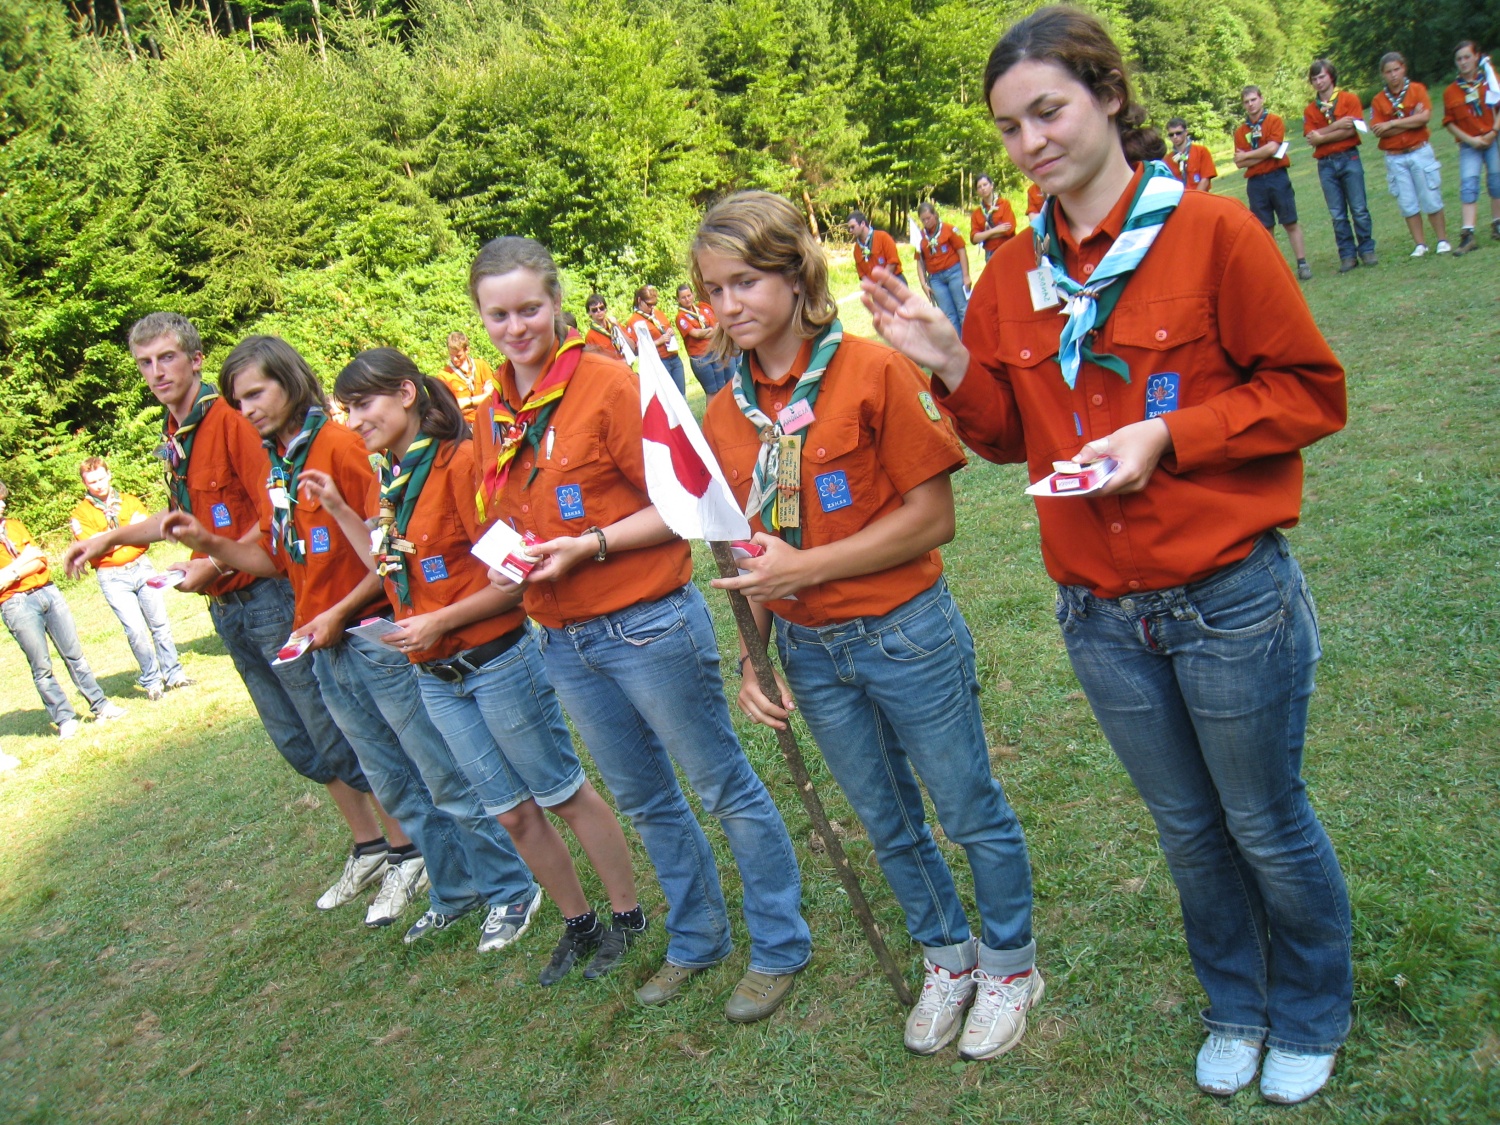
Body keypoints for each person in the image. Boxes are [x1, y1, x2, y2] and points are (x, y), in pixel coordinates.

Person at [861, 5, 1353, 1105]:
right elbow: (999, 436)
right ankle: (1235, 1002)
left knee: (1265, 820)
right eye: (1007, 127)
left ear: (1110, 99)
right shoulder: (1004, 273)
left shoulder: (1212, 233)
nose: (1030, 140)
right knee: (1185, 826)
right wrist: (946, 359)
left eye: (1049, 110)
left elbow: (1313, 391)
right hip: (1103, 616)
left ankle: (1312, 1005)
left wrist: (1171, 435)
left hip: (1228, 596)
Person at [695, 191, 1040, 1060]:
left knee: (966, 807)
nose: (728, 305)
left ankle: (1008, 964)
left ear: (794, 273)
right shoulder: (724, 416)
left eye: (745, 281)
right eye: (711, 290)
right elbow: (751, 559)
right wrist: (754, 660)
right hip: (811, 655)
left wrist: (805, 569)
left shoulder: (870, 370)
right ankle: (947, 957)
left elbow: (932, 518)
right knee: (886, 820)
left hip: (905, 632)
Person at [469, 236, 812, 1021]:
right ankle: (698, 939)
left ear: (555, 303)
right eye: (499, 314)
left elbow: (688, 506)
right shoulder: (493, 412)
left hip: (646, 624)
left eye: (529, 308)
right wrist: (512, 564)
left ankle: (780, 944)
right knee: (647, 799)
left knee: (722, 785)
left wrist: (588, 544)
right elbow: (516, 515)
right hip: (563, 641)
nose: (516, 327)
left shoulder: (609, 386)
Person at [160, 335, 541, 948]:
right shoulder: (280, 461)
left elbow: (385, 551)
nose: (247, 407)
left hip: (371, 634)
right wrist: (206, 542)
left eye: (256, 392)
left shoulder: (340, 445)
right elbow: (272, 559)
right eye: (237, 399)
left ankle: (508, 886)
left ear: (289, 381)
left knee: (439, 772)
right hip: (322, 641)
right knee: (392, 780)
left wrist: (340, 612)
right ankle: (453, 888)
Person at [305, 347, 648, 986]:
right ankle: (580, 924)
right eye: (347, 408)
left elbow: (514, 577)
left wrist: (439, 620)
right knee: (511, 811)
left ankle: (628, 916)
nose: (352, 420)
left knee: (562, 794)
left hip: (495, 662)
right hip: (438, 679)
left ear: (406, 394)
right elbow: (388, 566)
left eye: (363, 405)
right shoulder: (396, 477)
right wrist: (344, 513)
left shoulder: (461, 465)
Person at [63, 314, 398, 911]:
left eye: (167, 357)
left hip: (270, 596)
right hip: (230, 607)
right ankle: (367, 843)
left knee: (334, 727)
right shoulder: (178, 434)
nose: (157, 372)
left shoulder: (233, 421)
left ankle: (405, 849)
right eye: (145, 363)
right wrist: (106, 538)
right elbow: (176, 519)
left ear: (194, 359)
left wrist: (212, 563)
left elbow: (274, 520)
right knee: (299, 739)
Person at [1, 480, 126, 739]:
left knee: (75, 654)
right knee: (41, 666)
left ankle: (100, 705)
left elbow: (39, 560)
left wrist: (11, 572)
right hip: (16, 604)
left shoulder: (13, 525)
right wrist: (20, 566)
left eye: (2, 498)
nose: (2, 504)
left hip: (47, 591)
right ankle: (64, 718)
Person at [69, 457, 189, 701]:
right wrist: (126, 534)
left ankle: (174, 674)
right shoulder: (81, 514)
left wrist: (108, 537)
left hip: (141, 567)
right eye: (92, 481)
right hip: (112, 577)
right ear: (84, 483)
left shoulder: (129, 501)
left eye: (101, 478)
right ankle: (152, 681)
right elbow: (90, 548)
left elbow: (145, 535)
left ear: (109, 475)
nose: (98, 485)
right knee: (135, 631)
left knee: (160, 624)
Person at [1371, 52, 1451, 256]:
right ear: (1383, 74)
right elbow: (1378, 129)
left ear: (1404, 68)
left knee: (1430, 197)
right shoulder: (1379, 100)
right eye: (1388, 72)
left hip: (1419, 151)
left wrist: (1393, 123)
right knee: (1407, 202)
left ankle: (1442, 240)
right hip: (1395, 156)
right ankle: (1420, 244)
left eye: (1396, 69)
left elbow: (1424, 118)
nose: (1393, 75)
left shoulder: (1417, 90)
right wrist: (1410, 121)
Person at [1303, 61, 1378, 272]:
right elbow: (1312, 138)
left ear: (1331, 77)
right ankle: (1347, 255)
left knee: (1359, 208)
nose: (1318, 82)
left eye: (1322, 77)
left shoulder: (1349, 99)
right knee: (1337, 213)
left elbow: (1351, 131)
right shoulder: (1310, 110)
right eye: (1314, 79)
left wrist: (1323, 133)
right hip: (1325, 164)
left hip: (1349, 158)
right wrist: (1337, 125)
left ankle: (1366, 249)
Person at [1235, 86, 1312, 279]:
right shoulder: (1241, 131)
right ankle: (1275, 270)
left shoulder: (1274, 121)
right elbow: (1239, 162)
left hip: (1277, 177)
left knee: (1289, 221)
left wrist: (1250, 156)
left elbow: (1272, 148)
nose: (1250, 104)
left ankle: (1302, 263)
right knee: (1265, 227)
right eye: (1246, 102)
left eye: (1253, 99)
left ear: (1261, 99)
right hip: (1255, 183)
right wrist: (1262, 154)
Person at [1444, 41, 1500, 254]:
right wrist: (1470, 140)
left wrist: (1493, 132)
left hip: (1492, 139)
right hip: (1469, 145)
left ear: (1477, 57)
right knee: (1469, 185)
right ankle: (1468, 234)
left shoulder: (1490, 81)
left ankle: (1498, 223)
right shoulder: (1451, 91)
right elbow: (1449, 122)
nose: (1463, 62)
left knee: (1496, 182)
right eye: (1459, 59)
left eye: (1467, 57)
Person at [913, 202, 971, 336]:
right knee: (948, 315)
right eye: (923, 220)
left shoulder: (948, 229)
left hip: (954, 272)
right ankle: (959, 347)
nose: (926, 222)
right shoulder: (920, 237)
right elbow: (919, 262)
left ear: (935, 214)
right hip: (936, 279)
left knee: (963, 310)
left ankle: (972, 343)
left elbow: (961, 251)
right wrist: (923, 284)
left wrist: (966, 275)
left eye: (929, 218)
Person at [675, 283, 732, 397]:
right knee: (711, 393)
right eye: (683, 297)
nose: (687, 299)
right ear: (678, 299)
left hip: (714, 352)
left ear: (693, 294)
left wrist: (707, 332)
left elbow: (718, 326)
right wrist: (711, 331)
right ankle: (712, 415)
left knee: (722, 389)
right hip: (700, 357)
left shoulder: (701, 308)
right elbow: (696, 334)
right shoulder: (681, 317)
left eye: (689, 295)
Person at [626, 286, 685, 394]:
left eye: (654, 304)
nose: (652, 307)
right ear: (640, 300)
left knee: (682, 395)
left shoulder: (658, 313)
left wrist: (670, 332)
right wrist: (658, 342)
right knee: (670, 398)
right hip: (658, 362)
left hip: (674, 357)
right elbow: (636, 349)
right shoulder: (633, 321)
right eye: (649, 304)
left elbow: (668, 327)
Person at [435, 332, 496, 425]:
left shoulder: (481, 365)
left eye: (458, 355)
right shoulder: (444, 376)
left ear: (467, 350)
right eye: (451, 355)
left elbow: (493, 396)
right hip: (464, 425)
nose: (454, 359)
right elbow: (451, 408)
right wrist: (484, 396)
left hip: (488, 419)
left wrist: (468, 402)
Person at [847, 211, 906, 284]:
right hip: (876, 288)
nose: (850, 230)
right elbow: (862, 275)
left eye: (853, 227)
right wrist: (873, 289)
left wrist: (880, 284)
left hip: (894, 281)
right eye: (849, 228)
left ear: (862, 224)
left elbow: (892, 263)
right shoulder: (857, 250)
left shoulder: (883, 237)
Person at [970, 174, 1018, 259]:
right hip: (991, 253)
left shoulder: (1004, 204)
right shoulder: (976, 213)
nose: (983, 188)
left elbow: (1009, 230)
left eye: (985, 184)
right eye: (979, 187)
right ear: (977, 191)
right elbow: (974, 238)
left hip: (1009, 247)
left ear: (991, 185)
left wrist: (984, 235)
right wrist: (996, 230)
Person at [1165, 118, 1217, 191]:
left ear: (1186, 132)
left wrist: (1194, 198)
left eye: (1178, 133)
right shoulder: (1167, 160)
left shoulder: (1201, 151)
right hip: (1179, 200)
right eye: (1171, 134)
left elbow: (1205, 179)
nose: (1175, 137)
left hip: (1200, 197)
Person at [582, 293, 636, 364]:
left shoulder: (614, 324)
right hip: (612, 371)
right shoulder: (590, 337)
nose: (599, 311)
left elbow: (633, 347)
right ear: (589, 313)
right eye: (594, 310)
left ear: (605, 309)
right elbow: (596, 363)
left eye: (601, 308)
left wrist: (618, 327)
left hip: (628, 367)